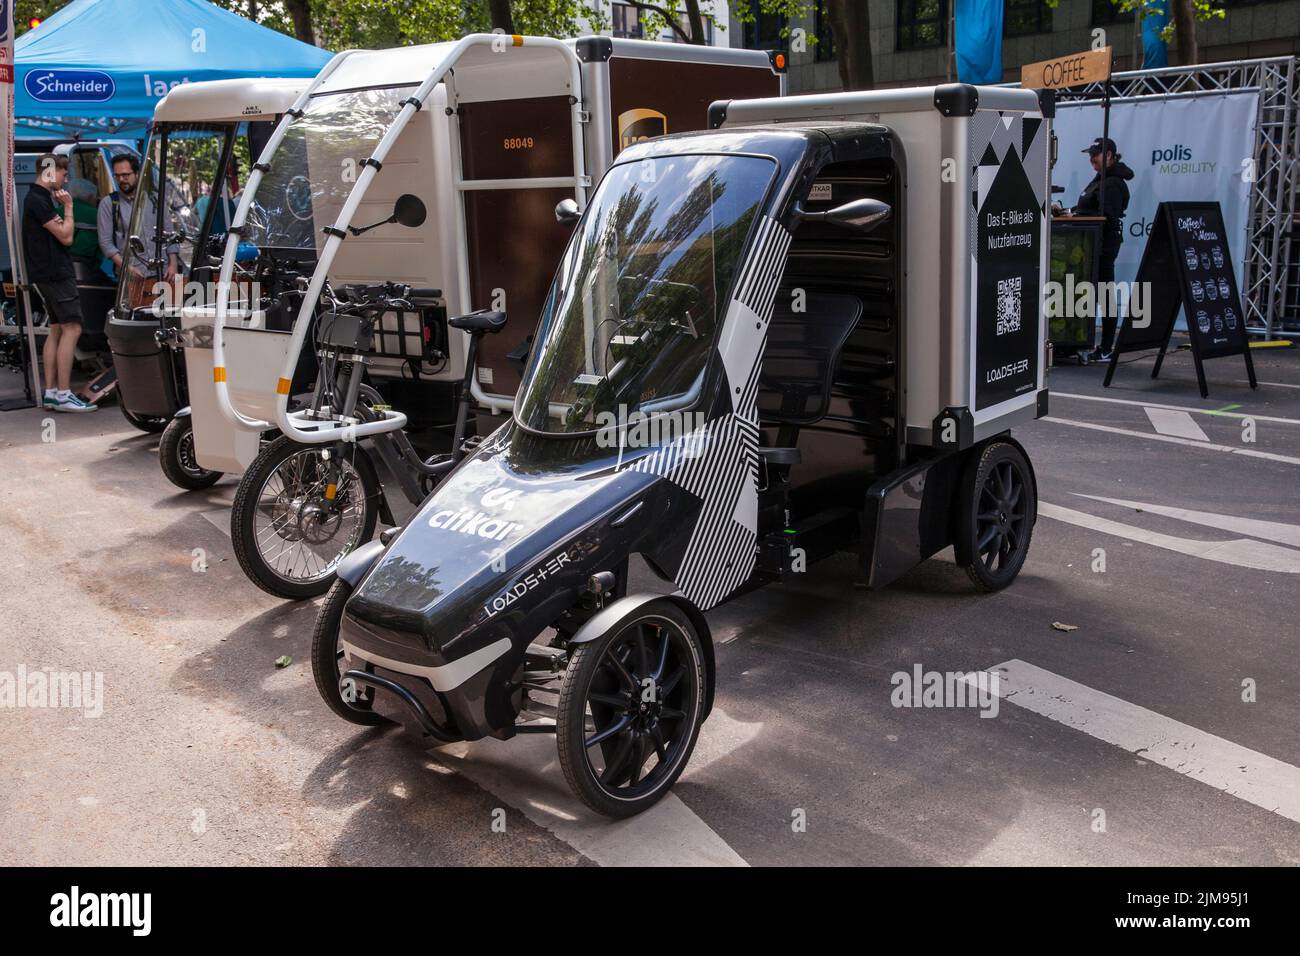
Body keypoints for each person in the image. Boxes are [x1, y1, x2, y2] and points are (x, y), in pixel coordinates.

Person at [22, 153, 97, 412]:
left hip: (45, 274)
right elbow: (66, 237)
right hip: (55, 274)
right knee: (72, 328)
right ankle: (64, 393)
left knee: (56, 328)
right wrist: (68, 207)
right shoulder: (40, 201)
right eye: (64, 174)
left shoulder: (37, 199)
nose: (66, 179)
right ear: (52, 172)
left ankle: (53, 392)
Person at [1071, 137, 1134, 361]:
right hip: (1091, 244)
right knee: (1097, 293)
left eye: (1095, 155)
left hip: (1103, 245)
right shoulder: (1100, 179)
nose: (1091, 160)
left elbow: (1106, 216)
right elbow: (1089, 207)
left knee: (1105, 294)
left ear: (1108, 155)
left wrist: (1076, 216)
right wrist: (1070, 212)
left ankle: (1106, 347)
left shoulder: (1113, 183)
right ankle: (1084, 341)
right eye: (1090, 156)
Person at [97, 153, 177, 307]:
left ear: (137, 174)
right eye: (117, 176)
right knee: (137, 320)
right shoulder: (109, 203)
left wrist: (173, 264)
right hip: (132, 276)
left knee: (167, 320)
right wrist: (127, 268)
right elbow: (106, 243)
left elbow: (169, 234)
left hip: (163, 273)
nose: (121, 180)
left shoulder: (155, 199)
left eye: (126, 175)